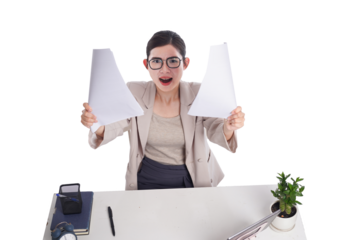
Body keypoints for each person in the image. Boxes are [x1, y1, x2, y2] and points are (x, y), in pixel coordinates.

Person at [80, 27, 242, 190]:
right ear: (146, 65)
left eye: (173, 61)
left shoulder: (199, 92)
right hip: (149, 176)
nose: (164, 70)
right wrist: (95, 122)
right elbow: (114, 125)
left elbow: (217, 130)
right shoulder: (134, 91)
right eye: (156, 61)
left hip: (194, 176)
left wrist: (229, 126)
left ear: (186, 63)